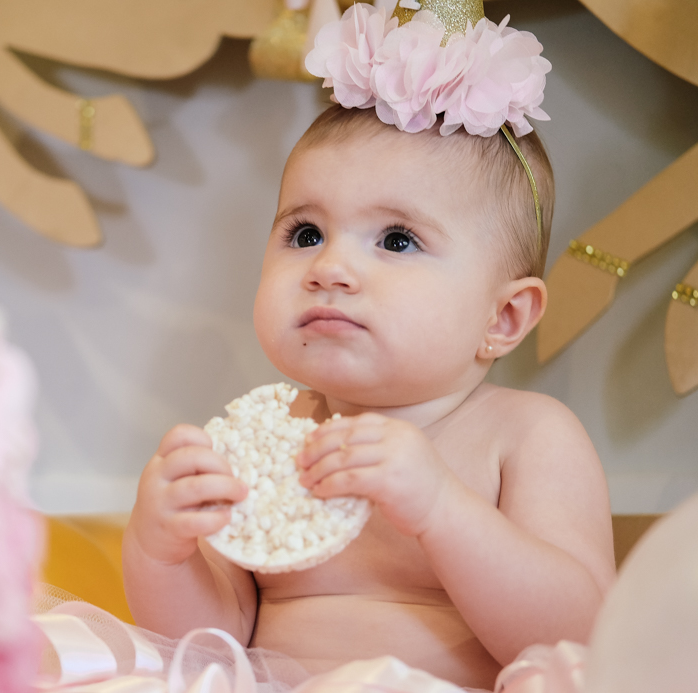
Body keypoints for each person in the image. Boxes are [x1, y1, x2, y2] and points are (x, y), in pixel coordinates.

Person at [121, 2, 617, 690]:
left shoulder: (527, 437)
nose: (330, 267)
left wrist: (442, 507)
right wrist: (163, 551)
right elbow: (213, 638)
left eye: (396, 240)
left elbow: (582, 630)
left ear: (502, 318)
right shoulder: (277, 439)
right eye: (305, 234)